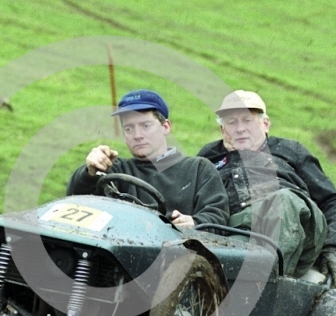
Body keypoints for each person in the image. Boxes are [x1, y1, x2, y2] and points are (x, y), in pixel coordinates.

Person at [198, 90, 336, 286]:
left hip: (296, 226)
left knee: (283, 200)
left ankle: (254, 283)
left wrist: (335, 249)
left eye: (247, 120)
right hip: (235, 231)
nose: (240, 129)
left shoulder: (290, 150)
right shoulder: (207, 157)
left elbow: (333, 201)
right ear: (222, 130)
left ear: (265, 124)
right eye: (232, 122)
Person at [68, 89, 229, 228]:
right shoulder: (115, 170)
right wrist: (89, 172)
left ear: (165, 127)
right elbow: (78, 201)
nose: (137, 135)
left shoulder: (198, 169)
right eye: (129, 128)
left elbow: (217, 214)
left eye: (146, 126)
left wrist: (195, 222)